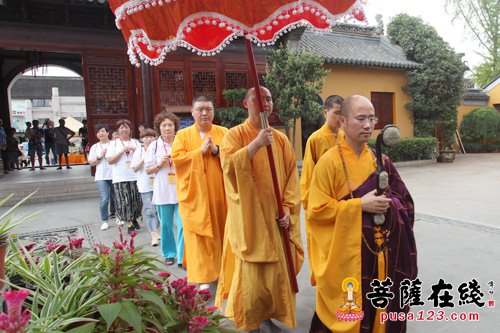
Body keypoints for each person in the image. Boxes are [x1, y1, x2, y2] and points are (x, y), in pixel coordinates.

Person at [307, 95, 417, 333]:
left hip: (380, 254)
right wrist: (358, 206)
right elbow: (316, 212)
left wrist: (391, 205)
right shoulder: (328, 163)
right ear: (343, 122)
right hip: (347, 257)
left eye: (371, 118)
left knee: (380, 307)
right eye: (361, 118)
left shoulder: (381, 161)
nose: (368, 125)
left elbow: (405, 202)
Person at [215, 87, 304, 332]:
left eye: (269, 98)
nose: (265, 102)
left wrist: (287, 209)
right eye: (258, 99)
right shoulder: (234, 135)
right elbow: (230, 168)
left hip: (275, 219)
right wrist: (256, 144)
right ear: (246, 103)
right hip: (249, 220)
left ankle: (268, 313)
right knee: (252, 276)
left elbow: (290, 181)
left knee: (275, 272)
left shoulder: (281, 139)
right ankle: (250, 320)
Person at [171, 96, 228, 290]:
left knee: (222, 233)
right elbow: (177, 160)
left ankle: (224, 273)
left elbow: (234, 156)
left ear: (213, 112)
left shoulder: (224, 132)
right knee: (199, 236)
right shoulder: (183, 135)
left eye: (208, 109)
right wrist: (199, 152)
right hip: (194, 198)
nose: (204, 113)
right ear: (193, 112)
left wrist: (216, 150)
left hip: (221, 195)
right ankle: (203, 278)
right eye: (200, 109)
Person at [300, 94, 344, 286]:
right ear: (325, 112)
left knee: (342, 248)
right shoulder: (315, 139)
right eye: (336, 113)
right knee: (323, 248)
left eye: (343, 114)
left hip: (343, 202)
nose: (340, 118)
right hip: (322, 203)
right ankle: (325, 285)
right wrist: (310, 205)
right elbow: (308, 175)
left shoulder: (346, 136)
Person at [145, 112, 184, 266]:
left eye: (170, 125)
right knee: (166, 225)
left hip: (181, 190)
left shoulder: (181, 142)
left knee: (183, 225)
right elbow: (148, 170)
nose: (167, 128)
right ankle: (169, 253)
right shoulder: (154, 146)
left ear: (175, 127)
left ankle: (182, 257)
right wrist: (160, 163)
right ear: (158, 128)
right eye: (164, 125)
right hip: (162, 191)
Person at [106, 119, 143, 234]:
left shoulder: (136, 142)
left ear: (130, 129)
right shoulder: (113, 144)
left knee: (136, 199)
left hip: (135, 176)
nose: (124, 129)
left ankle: (134, 218)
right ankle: (129, 222)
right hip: (120, 177)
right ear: (118, 130)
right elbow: (110, 161)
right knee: (124, 200)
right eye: (121, 128)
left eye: (126, 127)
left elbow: (144, 156)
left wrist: (135, 150)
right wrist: (121, 151)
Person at [132, 128, 160, 246]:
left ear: (155, 138)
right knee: (149, 211)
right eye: (145, 137)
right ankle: (153, 234)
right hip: (145, 185)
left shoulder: (159, 149)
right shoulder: (138, 151)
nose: (148, 139)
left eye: (151, 136)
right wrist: (144, 158)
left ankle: (157, 231)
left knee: (159, 210)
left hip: (159, 184)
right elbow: (135, 168)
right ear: (141, 139)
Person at [88, 123, 116, 231]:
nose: (101, 133)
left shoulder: (114, 144)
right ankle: (104, 221)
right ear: (96, 134)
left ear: (108, 133)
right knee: (104, 198)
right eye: (99, 132)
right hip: (101, 176)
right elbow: (92, 163)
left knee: (116, 197)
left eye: (103, 131)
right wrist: (99, 157)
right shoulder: (94, 147)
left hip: (115, 175)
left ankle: (119, 217)